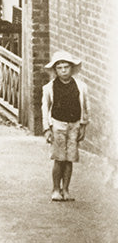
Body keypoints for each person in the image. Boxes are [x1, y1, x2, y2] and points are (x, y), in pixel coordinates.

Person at [41, 51, 89, 202]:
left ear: (72, 68)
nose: (63, 71)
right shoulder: (50, 87)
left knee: (69, 159)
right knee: (59, 158)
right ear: (55, 70)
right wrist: (47, 129)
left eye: (66, 67)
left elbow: (85, 107)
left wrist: (83, 126)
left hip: (74, 125)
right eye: (60, 68)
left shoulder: (81, 87)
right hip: (57, 125)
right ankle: (56, 189)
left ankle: (66, 189)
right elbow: (45, 108)